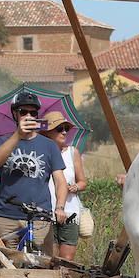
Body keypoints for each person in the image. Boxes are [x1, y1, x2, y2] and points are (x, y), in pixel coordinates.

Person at [0, 90, 68, 278]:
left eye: (33, 113)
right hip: (6, 214)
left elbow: (60, 181)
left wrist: (60, 207)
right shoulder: (3, 141)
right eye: (23, 112)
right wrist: (18, 134)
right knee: (5, 266)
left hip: (39, 216)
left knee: (45, 269)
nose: (28, 116)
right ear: (15, 114)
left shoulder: (48, 146)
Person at [40, 112, 87, 265]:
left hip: (70, 211)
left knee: (68, 262)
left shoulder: (73, 152)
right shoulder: (41, 153)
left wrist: (75, 187)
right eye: (59, 128)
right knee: (50, 260)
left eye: (66, 128)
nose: (64, 132)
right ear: (48, 133)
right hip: (47, 212)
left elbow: (83, 182)